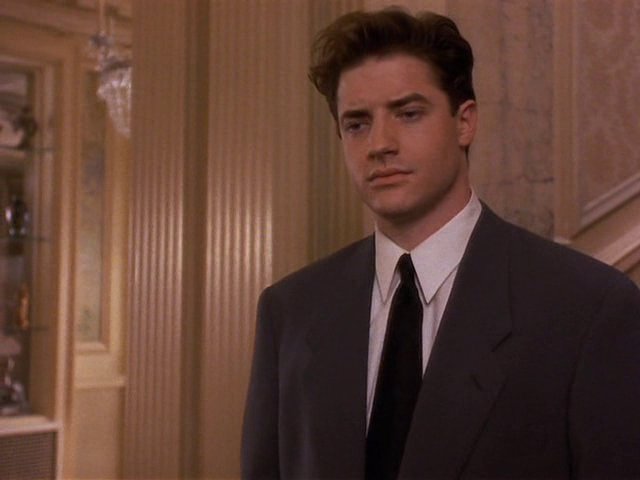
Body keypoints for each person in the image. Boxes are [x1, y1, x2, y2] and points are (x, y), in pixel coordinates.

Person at [241, 7, 640, 480]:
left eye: (408, 114)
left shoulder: (587, 309)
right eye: (357, 124)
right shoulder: (291, 312)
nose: (379, 144)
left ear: (464, 122)